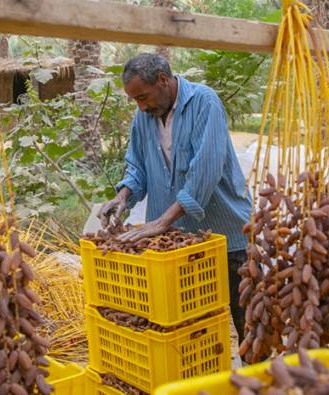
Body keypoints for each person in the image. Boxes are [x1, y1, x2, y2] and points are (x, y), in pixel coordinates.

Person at [98, 53, 252, 342]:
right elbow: (137, 167)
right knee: (191, 329)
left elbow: (204, 172)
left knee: (249, 324)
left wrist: (162, 221)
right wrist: (122, 196)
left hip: (228, 235)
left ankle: (261, 383)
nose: (141, 107)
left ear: (163, 80)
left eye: (143, 97)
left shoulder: (205, 103)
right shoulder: (143, 118)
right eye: (135, 101)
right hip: (180, 246)